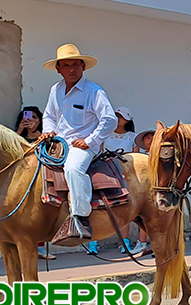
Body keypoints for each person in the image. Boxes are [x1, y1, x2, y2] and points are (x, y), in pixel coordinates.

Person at [40, 43, 117, 245]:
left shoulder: (94, 91)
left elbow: (109, 120)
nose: (72, 69)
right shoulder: (55, 90)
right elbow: (49, 116)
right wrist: (48, 131)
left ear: (83, 66)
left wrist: (90, 141)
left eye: (76, 64)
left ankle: (80, 218)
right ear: (58, 69)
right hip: (60, 143)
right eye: (66, 65)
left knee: (73, 169)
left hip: (83, 145)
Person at [87, 107, 141, 255]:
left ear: (127, 120)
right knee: (97, 204)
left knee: (126, 207)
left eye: (121, 116)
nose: (118, 119)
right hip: (105, 172)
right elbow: (98, 152)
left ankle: (125, 242)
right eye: (116, 116)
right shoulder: (104, 134)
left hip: (125, 173)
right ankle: (92, 242)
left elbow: (135, 157)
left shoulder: (132, 137)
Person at [14, 106, 55, 260]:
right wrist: (19, 131)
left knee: (41, 210)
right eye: (27, 117)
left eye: (34, 118)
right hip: (20, 181)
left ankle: (41, 247)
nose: (30, 120)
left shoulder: (45, 136)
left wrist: (40, 136)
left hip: (40, 178)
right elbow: (11, 152)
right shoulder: (16, 136)